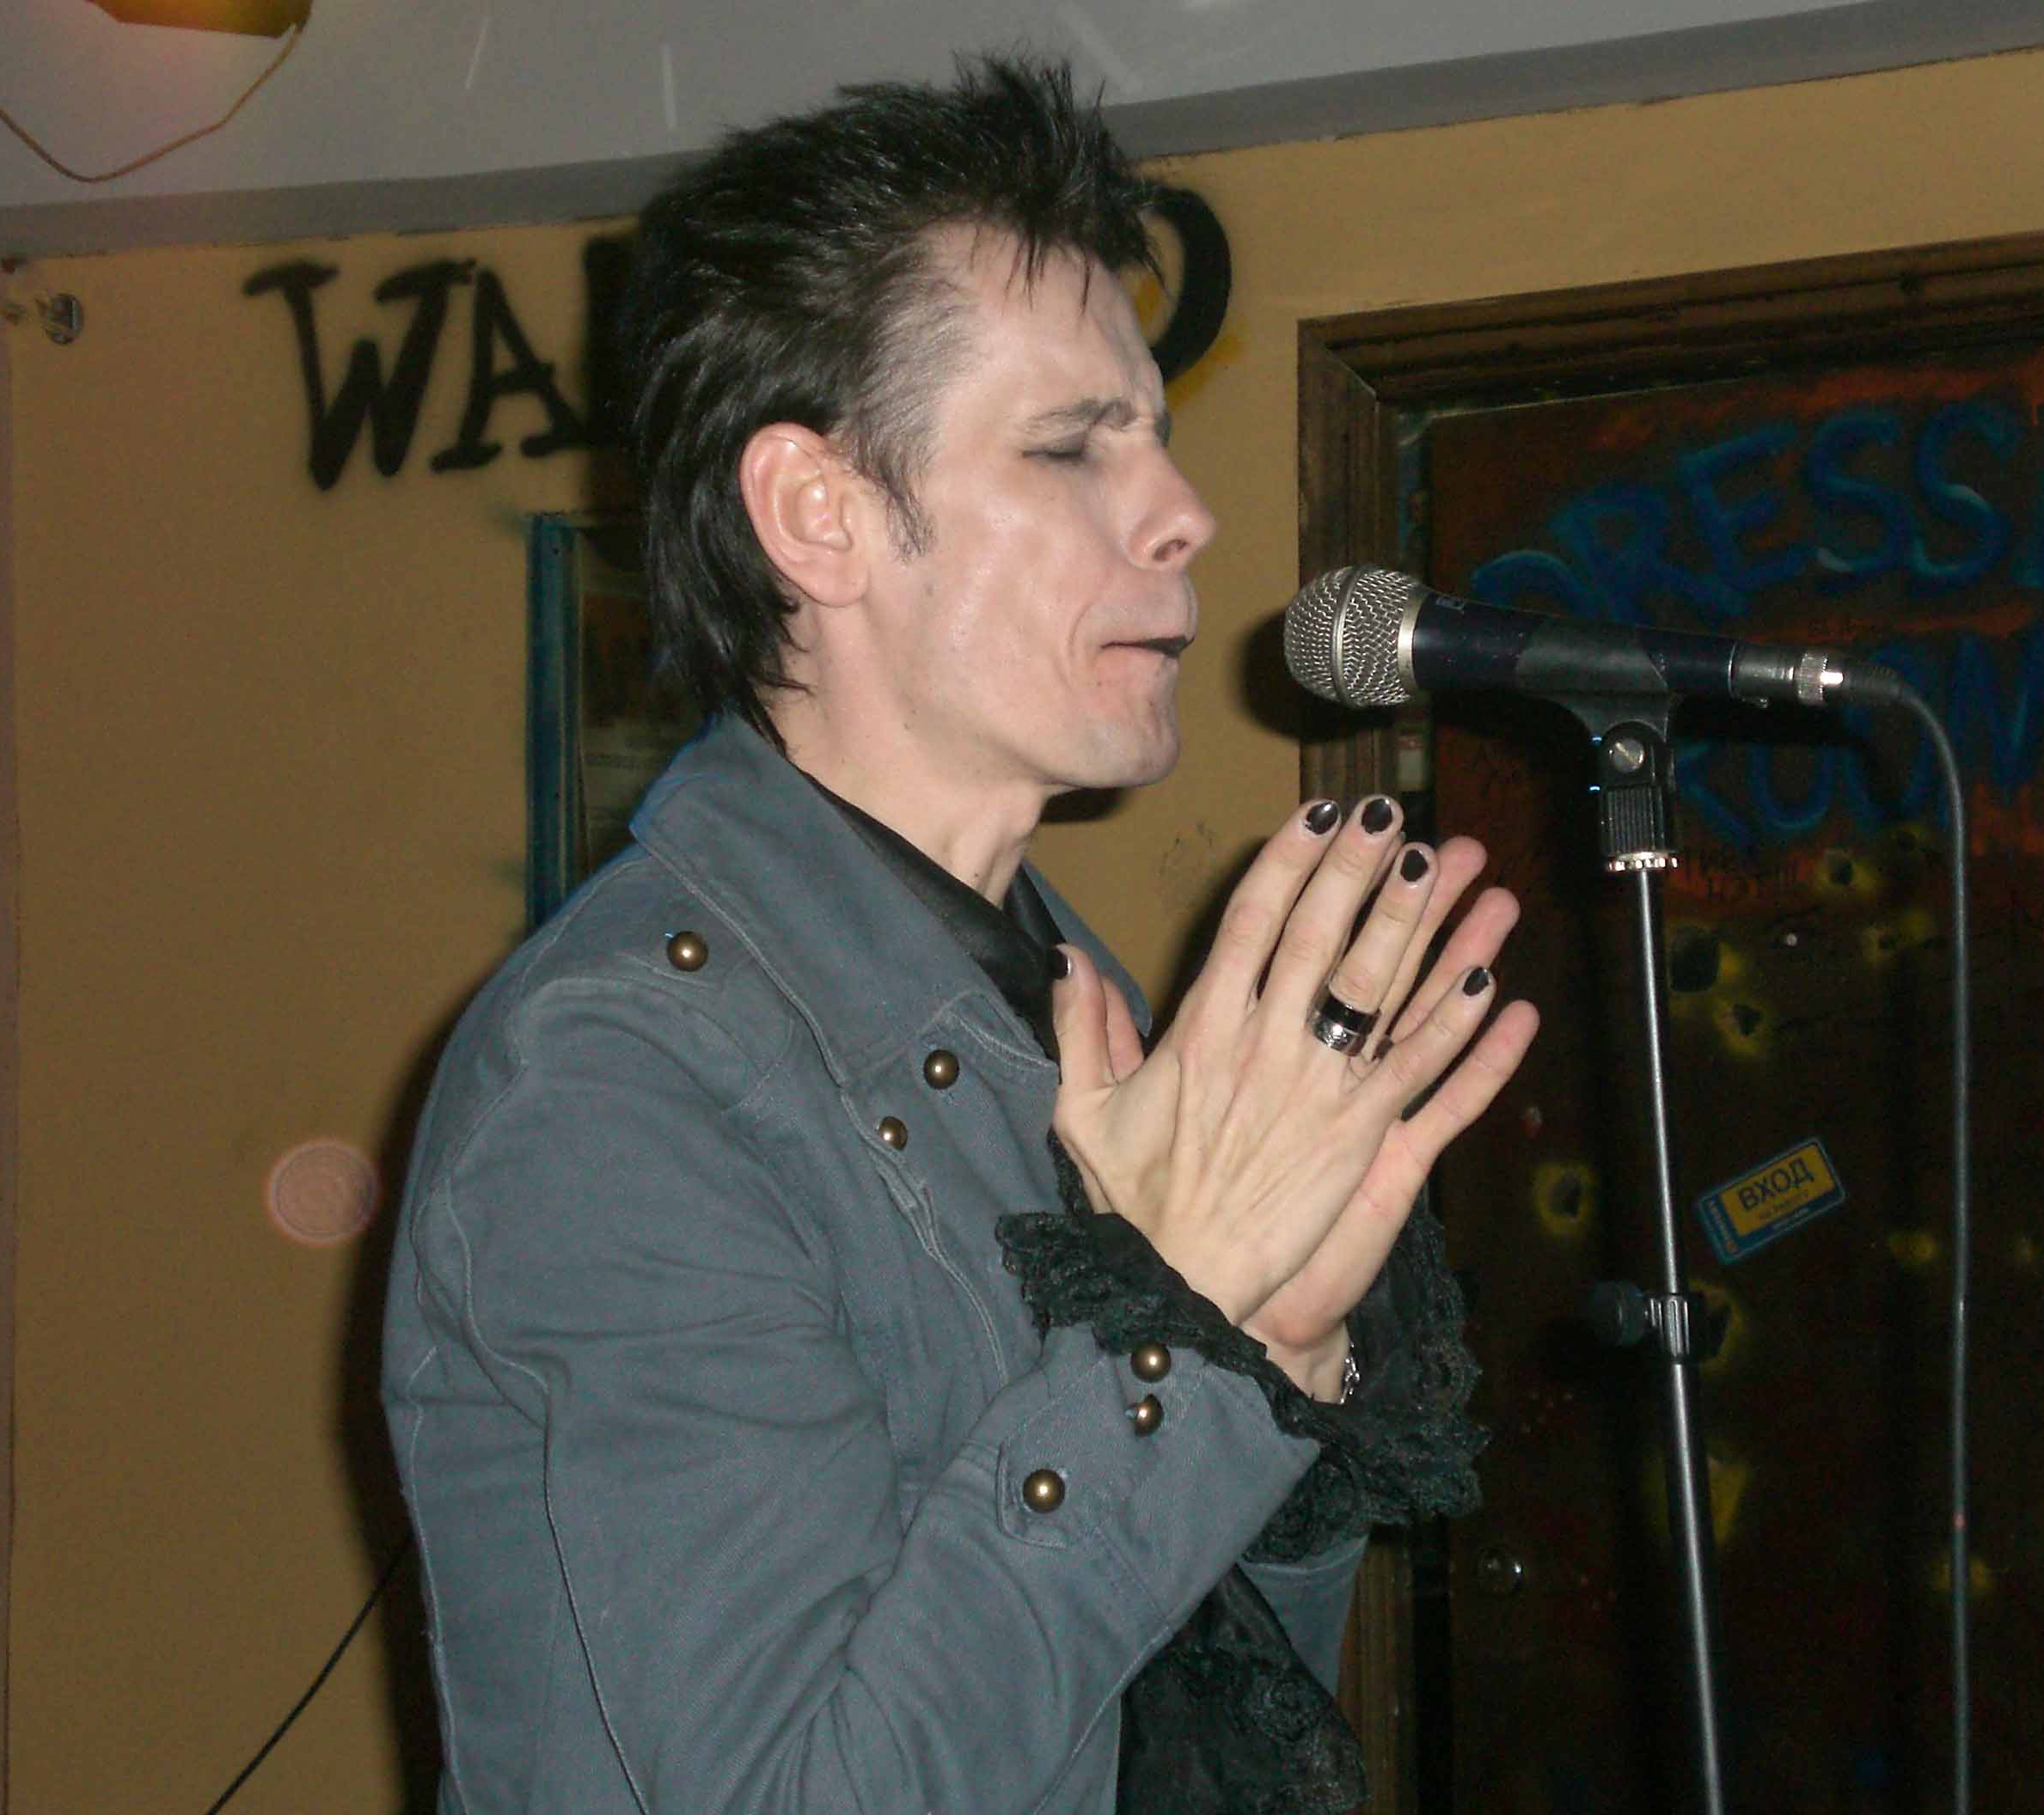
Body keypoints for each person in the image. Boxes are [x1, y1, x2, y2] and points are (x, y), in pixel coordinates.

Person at [382, 54, 1539, 1815]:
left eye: (1153, 433)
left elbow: (1183, 1731)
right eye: (1074, 445)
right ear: (818, 515)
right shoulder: (619, 1080)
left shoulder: (1062, 999)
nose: (1183, 511)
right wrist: (1183, 1336)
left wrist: (1276, 1362)